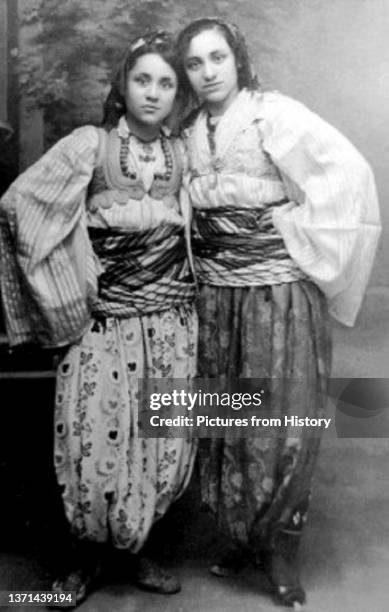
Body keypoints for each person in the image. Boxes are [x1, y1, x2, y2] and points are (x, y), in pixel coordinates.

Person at [175, 17, 381, 608]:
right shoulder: (187, 129)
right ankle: (243, 536)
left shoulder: (275, 114)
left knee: (286, 420)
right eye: (195, 63)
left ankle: (281, 552)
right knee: (228, 418)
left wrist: (289, 231)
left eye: (218, 58)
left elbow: (347, 174)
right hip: (216, 298)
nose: (208, 73)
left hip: (277, 296)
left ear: (238, 59)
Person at [0, 30, 197, 605]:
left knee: (163, 442)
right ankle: (84, 560)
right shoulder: (89, 145)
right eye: (142, 80)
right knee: (91, 437)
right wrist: (70, 284)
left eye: (166, 83)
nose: (153, 93)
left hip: (171, 323)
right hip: (103, 323)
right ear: (122, 85)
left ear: (177, 93)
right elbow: (22, 205)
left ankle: (138, 551)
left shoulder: (183, 154)